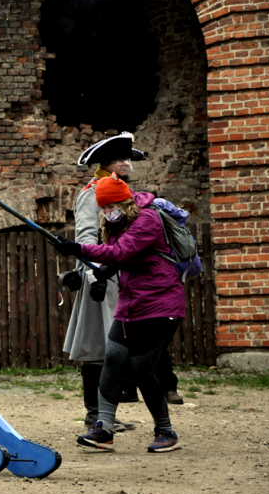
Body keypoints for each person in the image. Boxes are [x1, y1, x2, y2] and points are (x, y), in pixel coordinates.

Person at [53, 174, 183, 452]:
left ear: (123, 203)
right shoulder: (116, 223)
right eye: (101, 208)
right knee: (112, 356)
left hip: (161, 304)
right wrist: (99, 273)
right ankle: (104, 429)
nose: (105, 213)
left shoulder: (147, 219)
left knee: (140, 368)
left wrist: (75, 248)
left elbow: (122, 251)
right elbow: (117, 255)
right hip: (131, 303)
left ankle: (166, 431)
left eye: (109, 208)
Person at [60, 132, 145, 432]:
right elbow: (85, 237)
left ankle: (106, 412)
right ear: (110, 164)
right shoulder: (91, 192)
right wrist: (96, 274)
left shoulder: (120, 190)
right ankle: (94, 413)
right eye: (122, 159)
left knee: (115, 347)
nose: (128, 163)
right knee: (98, 348)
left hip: (118, 274)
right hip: (99, 277)